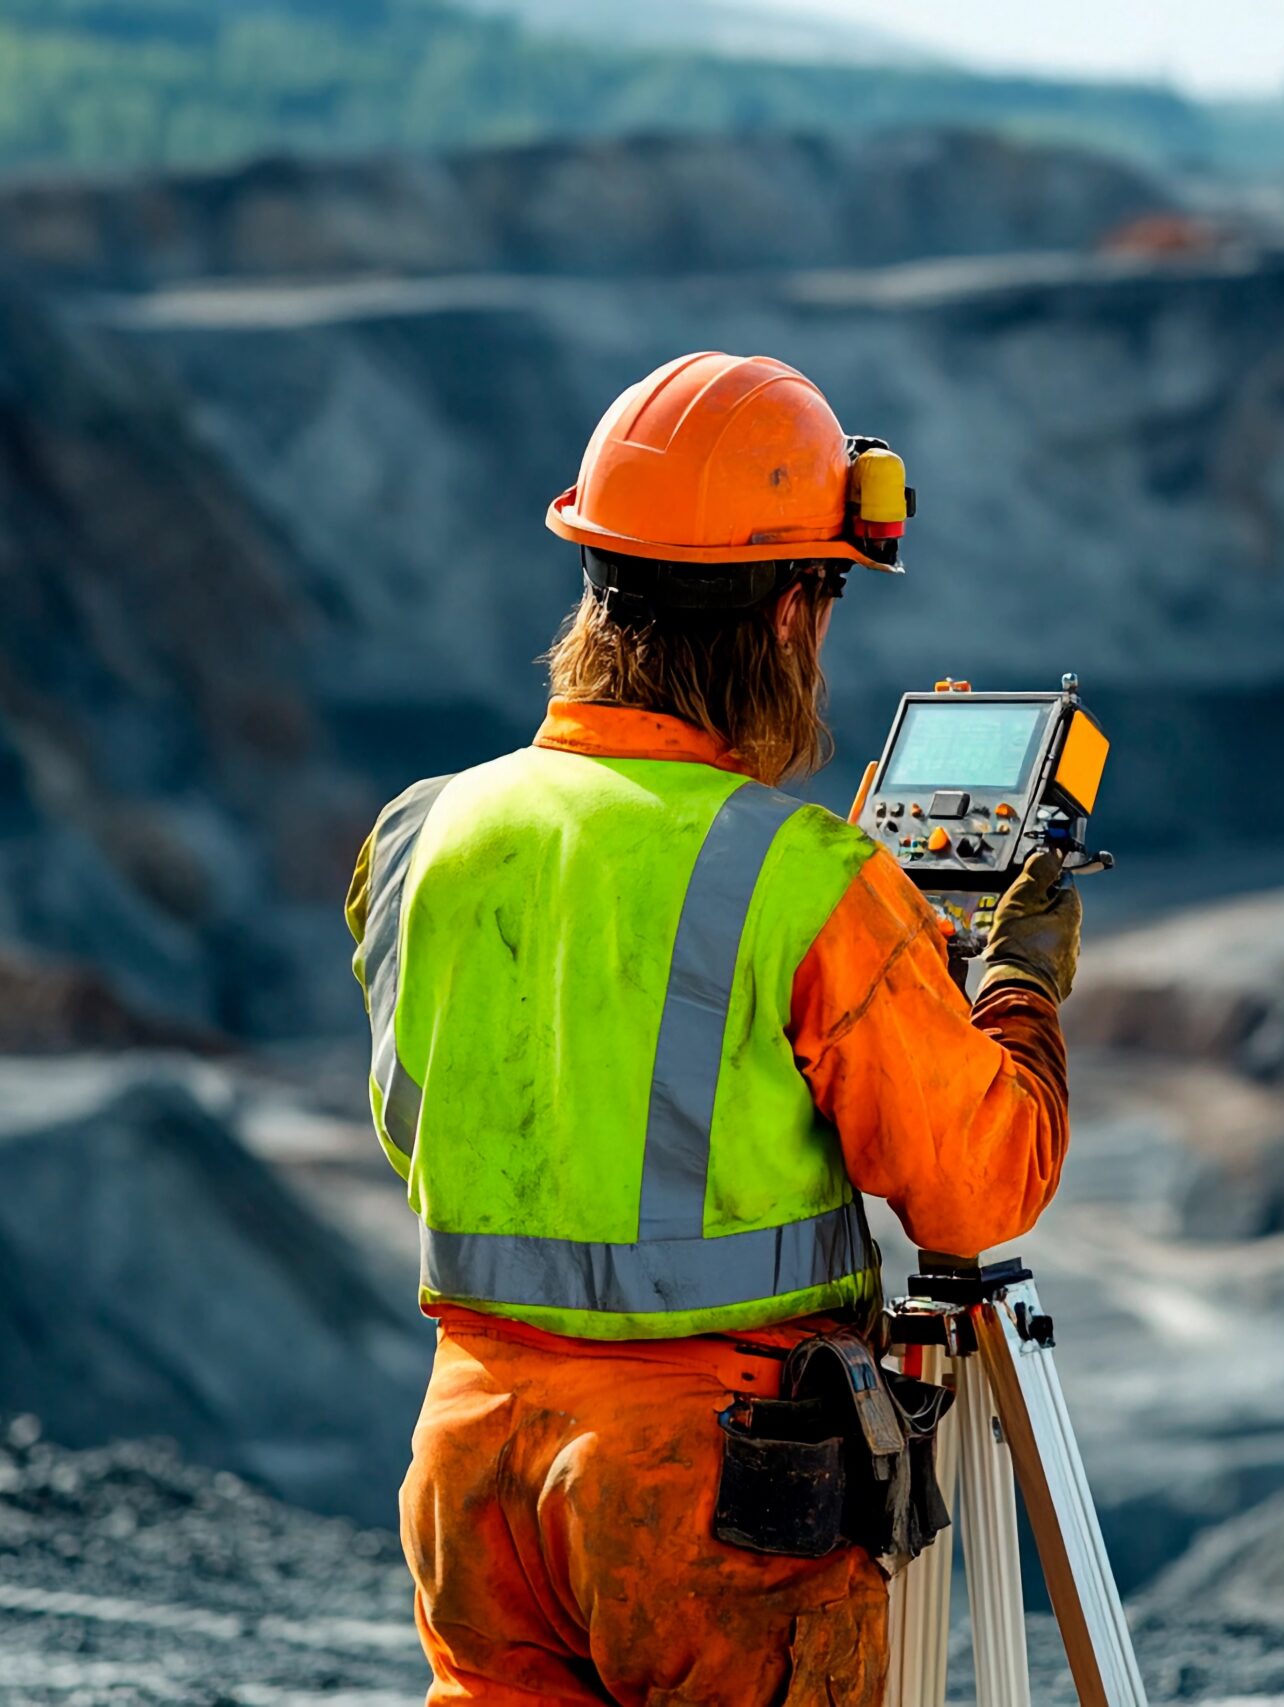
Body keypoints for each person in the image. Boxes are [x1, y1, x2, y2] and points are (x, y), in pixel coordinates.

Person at [343, 351, 1079, 1705]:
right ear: (796, 613)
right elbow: (978, 1191)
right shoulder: (802, 877)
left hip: (476, 1459)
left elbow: (425, 1121)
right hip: (720, 1491)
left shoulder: (426, 828)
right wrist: (1016, 989)